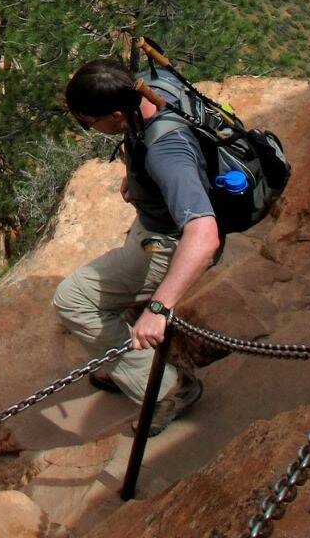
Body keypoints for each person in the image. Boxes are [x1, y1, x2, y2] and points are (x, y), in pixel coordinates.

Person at [53, 59, 222, 437]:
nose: (87, 129)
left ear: (115, 115)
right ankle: (124, 361)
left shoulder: (167, 153)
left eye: (88, 122)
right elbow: (143, 138)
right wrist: (137, 176)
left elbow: (204, 234)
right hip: (153, 223)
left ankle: (167, 389)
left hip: (166, 245)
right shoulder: (144, 88)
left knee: (72, 300)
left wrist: (159, 309)